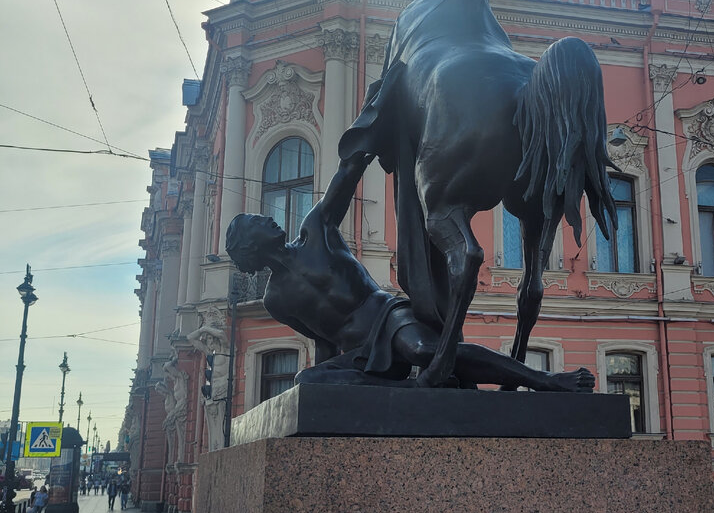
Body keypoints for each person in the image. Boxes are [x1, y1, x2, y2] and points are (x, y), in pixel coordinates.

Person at [226, 164, 594, 394]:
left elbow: (347, 174)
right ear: (248, 246)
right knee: (306, 382)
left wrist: (371, 127)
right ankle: (409, 388)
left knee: (422, 351)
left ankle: (544, 380)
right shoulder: (276, 299)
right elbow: (324, 341)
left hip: (389, 319)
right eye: (256, 222)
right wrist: (325, 384)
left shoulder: (315, 230)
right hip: (360, 357)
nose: (267, 218)